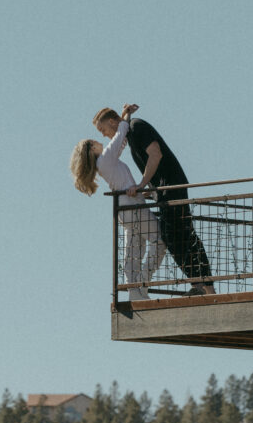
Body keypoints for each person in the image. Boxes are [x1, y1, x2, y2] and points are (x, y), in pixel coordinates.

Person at [92, 105, 215, 295]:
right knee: (179, 235)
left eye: (103, 130)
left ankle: (203, 286)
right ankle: (203, 285)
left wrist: (142, 184)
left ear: (111, 122)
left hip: (171, 187)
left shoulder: (136, 127)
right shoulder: (130, 132)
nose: (104, 135)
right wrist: (148, 189)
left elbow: (155, 154)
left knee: (176, 236)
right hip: (164, 189)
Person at [70, 108, 166, 301]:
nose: (99, 139)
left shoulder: (106, 161)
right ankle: (142, 282)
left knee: (133, 252)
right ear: (91, 149)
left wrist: (138, 189)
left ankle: (135, 292)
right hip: (132, 207)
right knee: (160, 240)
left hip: (126, 209)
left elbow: (120, 142)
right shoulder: (105, 159)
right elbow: (121, 135)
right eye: (94, 141)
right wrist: (125, 117)